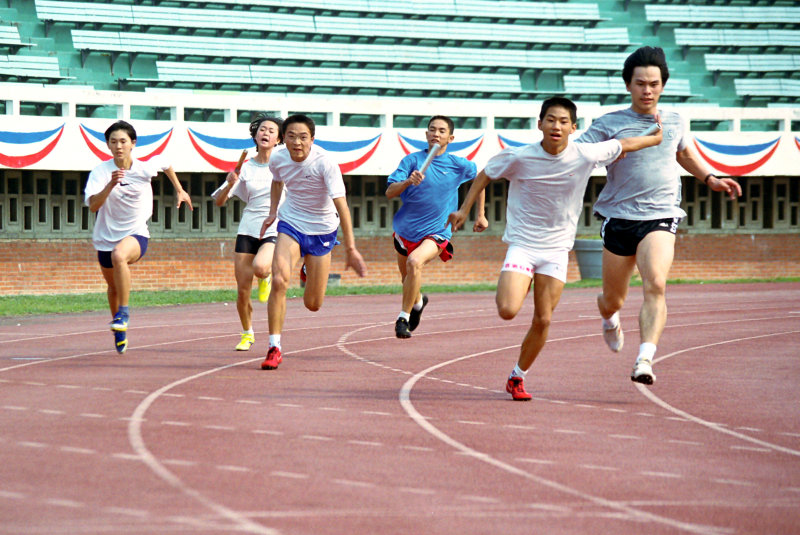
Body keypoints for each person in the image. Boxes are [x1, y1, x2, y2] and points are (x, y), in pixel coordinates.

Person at [448, 96, 663, 401]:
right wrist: (465, 209)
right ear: (540, 124)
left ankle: (517, 377)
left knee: (544, 319)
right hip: (523, 245)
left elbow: (624, 145)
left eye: (563, 121)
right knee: (508, 310)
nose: (556, 126)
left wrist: (655, 138)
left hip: (557, 250)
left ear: (573, 127)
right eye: (550, 120)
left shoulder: (586, 154)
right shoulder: (520, 157)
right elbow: (485, 174)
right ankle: (520, 282)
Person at [577, 46, 742, 385]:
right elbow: (578, 154)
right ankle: (610, 319)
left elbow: (684, 153)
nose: (647, 90)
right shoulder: (610, 123)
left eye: (654, 83)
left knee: (656, 282)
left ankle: (644, 359)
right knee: (612, 299)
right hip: (619, 217)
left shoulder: (676, 120)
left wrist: (710, 177)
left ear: (663, 85)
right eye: (640, 83)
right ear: (628, 85)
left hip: (661, 214)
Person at [259, 114, 367, 370]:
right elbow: (277, 182)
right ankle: (275, 347)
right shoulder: (277, 158)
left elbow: (343, 207)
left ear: (312, 139)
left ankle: (307, 268)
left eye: (303, 137)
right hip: (291, 223)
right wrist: (273, 212)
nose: (297, 142)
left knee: (313, 304)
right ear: (283, 139)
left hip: (322, 230)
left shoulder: (325, 163)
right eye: (291, 137)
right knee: (278, 280)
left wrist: (351, 249)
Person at [84, 120, 192, 354]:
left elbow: (165, 163)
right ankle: (120, 329)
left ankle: (124, 312)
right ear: (108, 145)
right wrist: (111, 184)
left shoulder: (144, 168)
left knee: (119, 256)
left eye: (123, 141)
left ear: (133, 143)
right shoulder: (101, 172)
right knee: (113, 287)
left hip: (135, 233)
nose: (118, 146)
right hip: (105, 236)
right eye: (113, 142)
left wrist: (179, 189)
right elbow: (93, 206)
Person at [386, 115, 487, 339]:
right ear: (426, 134)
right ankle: (419, 302)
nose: (436, 134)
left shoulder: (458, 165)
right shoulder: (411, 161)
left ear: (450, 138)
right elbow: (390, 192)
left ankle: (403, 317)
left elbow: (480, 181)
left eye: (442, 131)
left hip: (437, 231)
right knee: (408, 279)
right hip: (405, 231)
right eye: (432, 130)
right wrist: (407, 182)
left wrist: (480, 215)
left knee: (415, 262)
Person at [212, 114, 283, 351]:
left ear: (279, 138)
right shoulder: (245, 167)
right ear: (255, 135)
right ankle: (247, 333)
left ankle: (267, 276)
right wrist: (230, 182)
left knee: (261, 267)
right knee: (243, 291)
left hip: (274, 225)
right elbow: (219, 201)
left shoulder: (284, 165)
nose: (266, 133)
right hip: (248, 229)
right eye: (262, 129)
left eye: (272, 130)